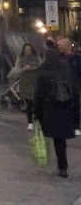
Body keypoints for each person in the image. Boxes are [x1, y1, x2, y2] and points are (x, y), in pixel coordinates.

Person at [34, 48, 79, 178]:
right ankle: (63, 166)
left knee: (54, 137)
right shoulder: (66, 68)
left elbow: (38, 93)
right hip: (64, 107)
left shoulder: (43, 70)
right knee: (61, 139)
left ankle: (57, 163)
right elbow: (74, 89)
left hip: (49, 108)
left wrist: (36, 113)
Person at [10, 43, 40, 131]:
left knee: (36, 103)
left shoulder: (36, 58)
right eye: (26, 50)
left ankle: (37, 120)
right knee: (29, 103)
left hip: (35, 83)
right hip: (25, 84)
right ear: (23, 50)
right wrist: (25, 68)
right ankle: (30, 123)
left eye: (29, 50)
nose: (28, 52)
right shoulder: (20, 59)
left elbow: (40, 67)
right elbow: (17, 72)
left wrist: (35, 68)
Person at [56, 38, 81, 136]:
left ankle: (76, 126)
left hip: (74, 86)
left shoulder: (77, 58)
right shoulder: (58, 58)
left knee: (75, 105)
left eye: (60, 45)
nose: (58, 47)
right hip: (61, 86)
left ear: (67, 46)